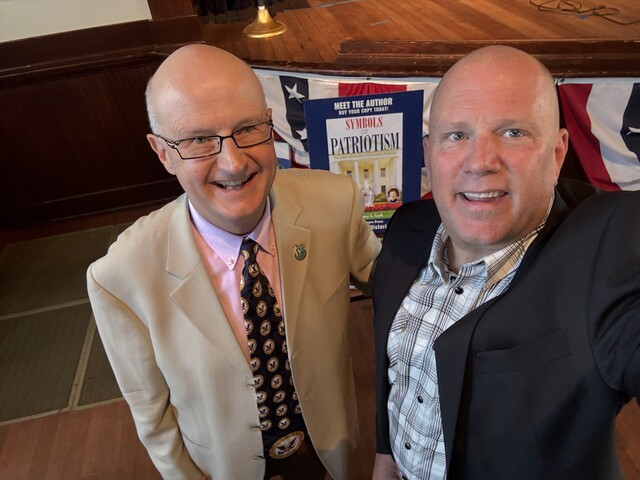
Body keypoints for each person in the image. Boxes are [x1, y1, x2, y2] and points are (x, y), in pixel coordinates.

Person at [87, 44, 381, 480]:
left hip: (330, 451)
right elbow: (152, 415)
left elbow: (402, 294)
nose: (233, 162)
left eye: (247, 128)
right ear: (163, 152)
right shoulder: (120, 277)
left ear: (269, 124)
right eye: (198, 140)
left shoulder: (336, 203)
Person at [372, 45, 640, 480]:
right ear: (428, 154)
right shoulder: (407, 231)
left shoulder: (608, 251)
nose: (480, 163)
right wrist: (385, 459)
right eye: (456, 135)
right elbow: (397, 374)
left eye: (513, 132)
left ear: (557, 154)